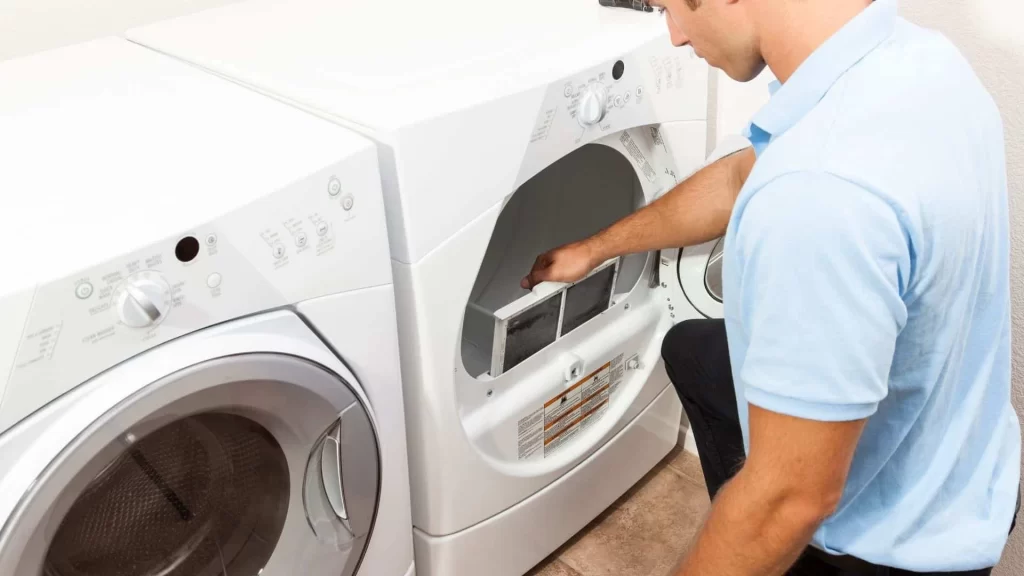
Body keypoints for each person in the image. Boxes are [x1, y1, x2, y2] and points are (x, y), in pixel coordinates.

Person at [520, 0, 1021, 574]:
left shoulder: (819, 194)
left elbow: (788, 503)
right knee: (692, 350)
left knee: (765, 507)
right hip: (967, 470)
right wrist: (596, 248)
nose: (676, 38)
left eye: (668, 7)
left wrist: (758, 515)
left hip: (884, 552)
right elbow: (741, 175)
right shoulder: (922, 63)